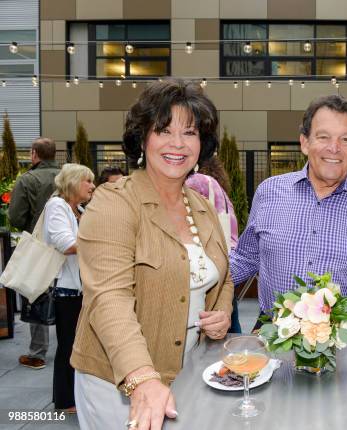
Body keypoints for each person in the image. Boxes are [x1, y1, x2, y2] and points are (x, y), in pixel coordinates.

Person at [70, 79, 233, 430]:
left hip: (187, 372)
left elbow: (223, 275)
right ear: (142, 138)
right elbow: (108, 297)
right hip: (120, 382)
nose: (178, 144)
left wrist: (221, 312)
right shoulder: (114, 202)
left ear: (202, 144)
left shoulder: (203, 206)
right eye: (164, 130)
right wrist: (141, 378)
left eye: (189, 133)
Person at [230, 95, 347, 329]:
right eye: (323, 136)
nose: (334, 148)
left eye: (345, 139)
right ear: (305, 142)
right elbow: (247, 257)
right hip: (273, 334)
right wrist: (198, 279)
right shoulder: (269, 192)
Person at [43, 163, 95, 413]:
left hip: (80, 288)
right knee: (68, 346)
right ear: (74, 182)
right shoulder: (57, 206)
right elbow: (65, 243)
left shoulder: (78, 209)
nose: (92, 186)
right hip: (66, 288)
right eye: (88, 181)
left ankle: (75, 396)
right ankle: (64, 401)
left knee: (78, 344)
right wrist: (99, 240)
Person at [8, 137, 60, 370]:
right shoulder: (69, 176)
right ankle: (72, 348)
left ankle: (38, 352)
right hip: (71, 246)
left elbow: (16, 217)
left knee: (36, 292)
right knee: (72, 295)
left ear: (34, 154)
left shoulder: (28, 179)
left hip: (40, 246)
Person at [186, 156, 241, 332]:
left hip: (207, 260)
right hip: (225, 258)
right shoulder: (217, 187)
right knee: (229, 323)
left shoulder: (197, 181)